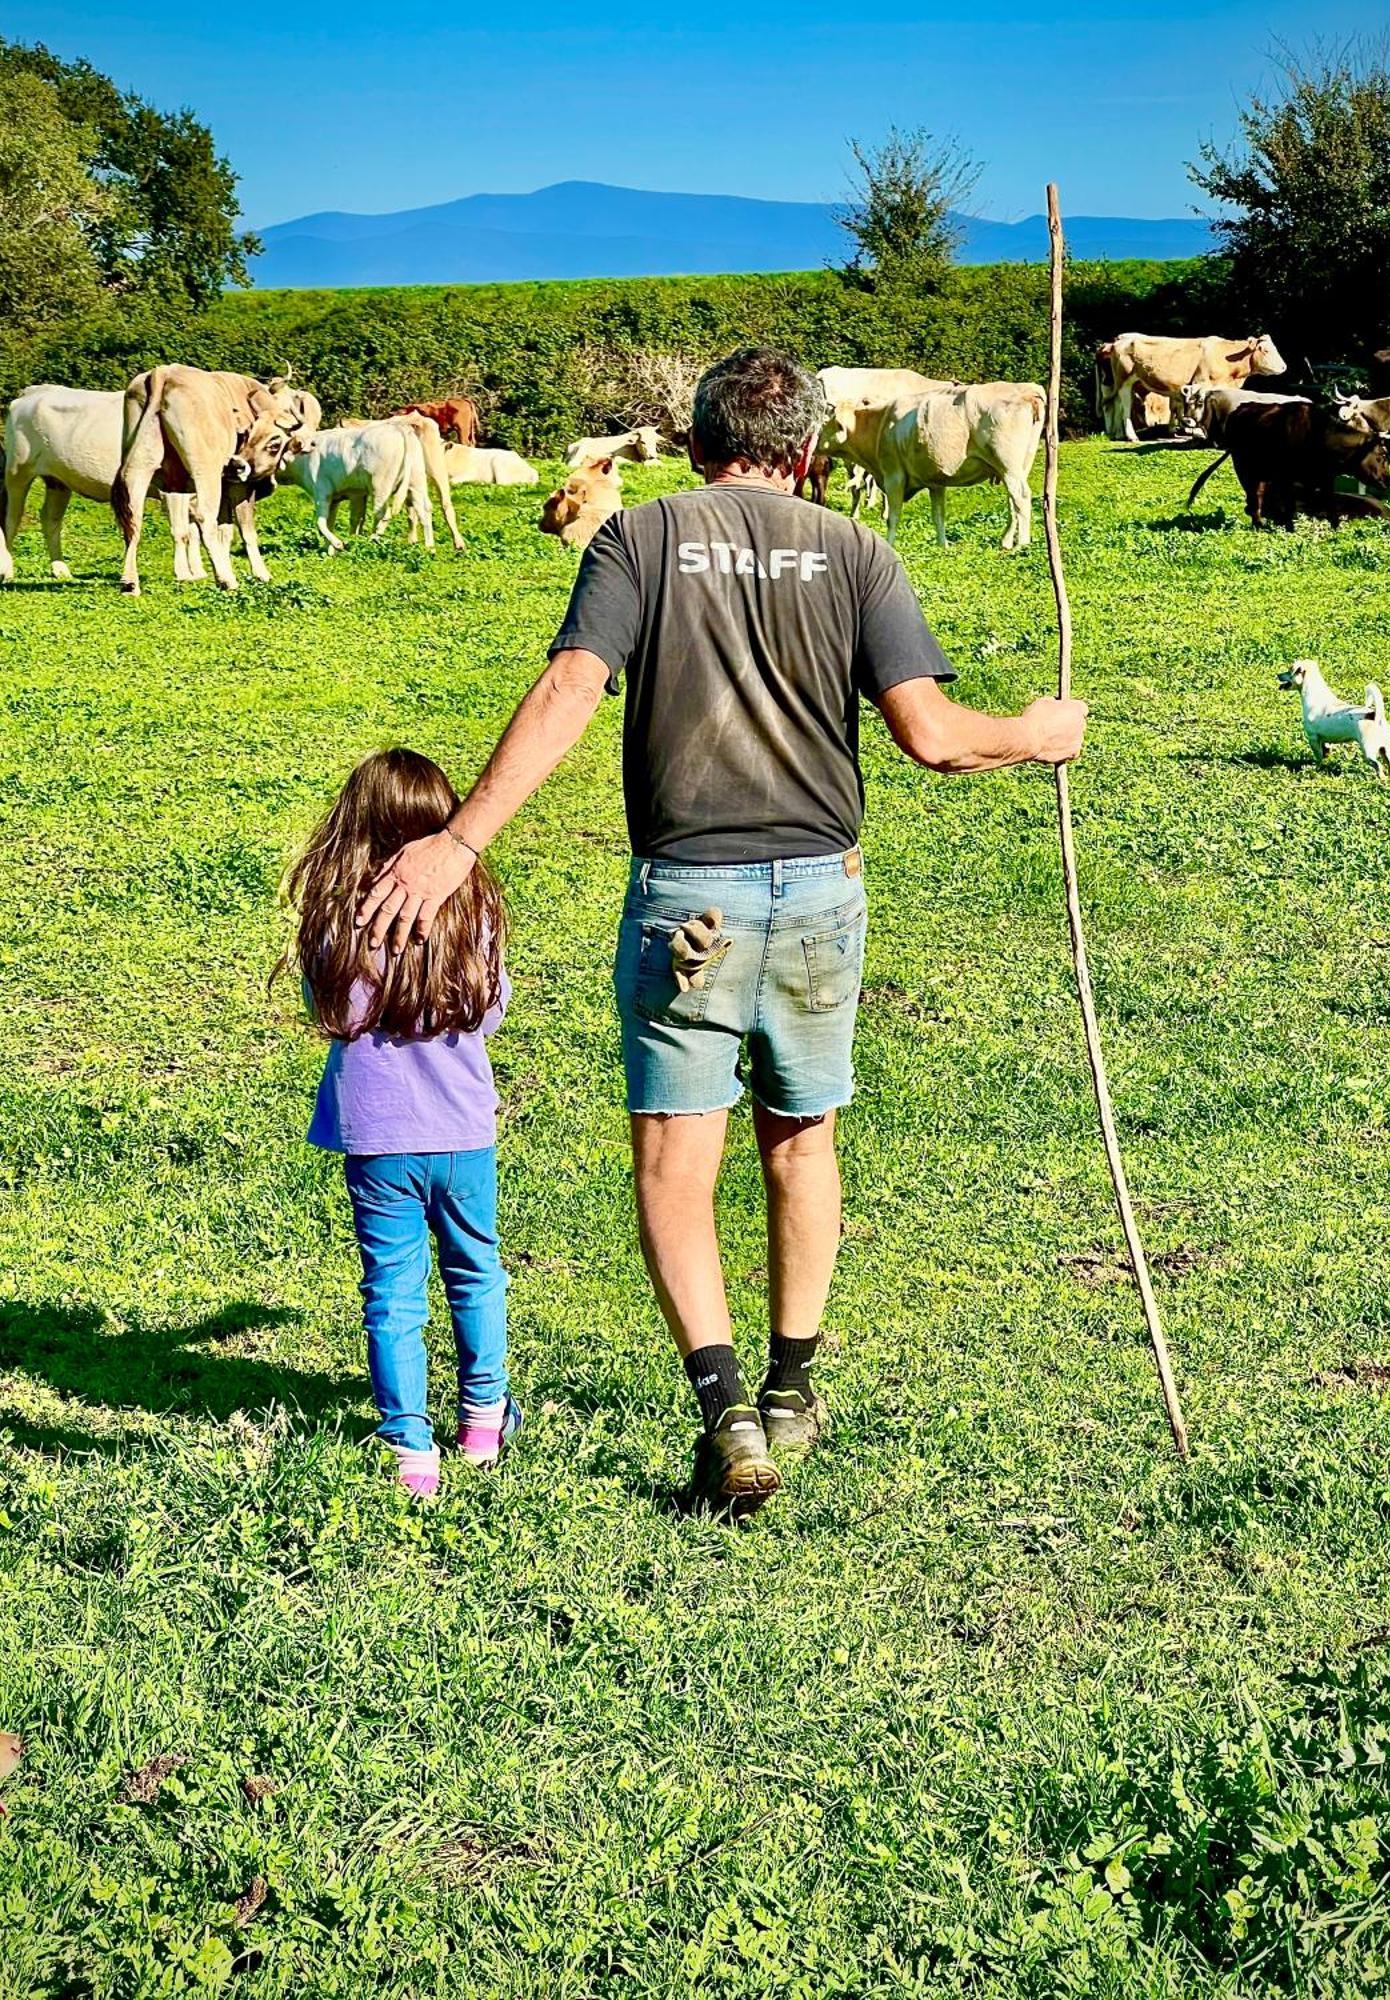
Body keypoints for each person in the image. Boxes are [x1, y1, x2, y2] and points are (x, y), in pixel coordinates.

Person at [358, 347, 1087, 1515]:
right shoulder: (859, 550)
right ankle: (795, 1386)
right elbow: (936, 736)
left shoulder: (637, 541)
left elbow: (565, 692)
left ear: (696, 446)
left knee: (674, 1164)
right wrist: (1038, 731)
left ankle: (728, 1409)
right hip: (818, 897)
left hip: (683, 900)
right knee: (801, 1141)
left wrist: (461, 841)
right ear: (805, 453)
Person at [279, 748, 519, 1498]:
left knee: (392, 1291)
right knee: (476, 1272)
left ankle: (411, 1450)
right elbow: (494, 1007)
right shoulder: (470, 909)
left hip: (378, 1140)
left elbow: (337, 1012)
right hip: (463, 1134)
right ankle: (482, 1424)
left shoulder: (339, 918)